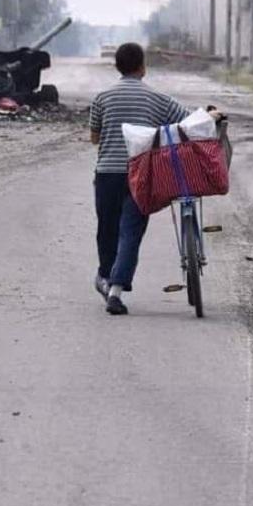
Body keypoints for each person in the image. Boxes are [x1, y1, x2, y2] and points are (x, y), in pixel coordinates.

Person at [89, 43, 202, 315]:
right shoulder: (158, 99)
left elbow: (95, 137)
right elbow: (189, 121)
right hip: (141, 175)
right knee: (130, 232)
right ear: (142, 67)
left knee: (107, 229)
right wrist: (210, 114)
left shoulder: (102, 97)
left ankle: (105, 277)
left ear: (117, 66)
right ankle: (115, 291)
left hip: (107, 174)